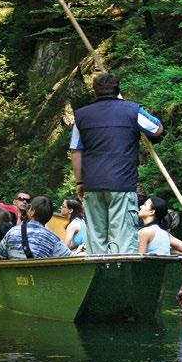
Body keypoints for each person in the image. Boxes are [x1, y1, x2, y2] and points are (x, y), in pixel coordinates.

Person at [70, 73, 164, 254]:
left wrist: (80, 182)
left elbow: (76, 152)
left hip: (93, 184)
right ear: (118, 89)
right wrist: (127, 104)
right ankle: (121, 279)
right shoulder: (132, 110)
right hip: (122, 184)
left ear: (95, 91)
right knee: (122, 239)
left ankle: (101, 278)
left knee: (96, 239)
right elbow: (157, 129)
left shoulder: (81, 116)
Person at [138, 196, 182, 309]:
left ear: (152, 211)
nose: (140, 206)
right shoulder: (166, 235)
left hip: (145, 284)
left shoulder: (145, 232)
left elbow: (139, 261)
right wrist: (167, 251)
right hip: (158, 287)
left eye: (144, 205)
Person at [0, 196, 84, 260]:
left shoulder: (12, 232)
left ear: (32, 212)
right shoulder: (53, 239)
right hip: (39, 281)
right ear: (49, 217)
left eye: (30, 208)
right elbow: (69, 258)